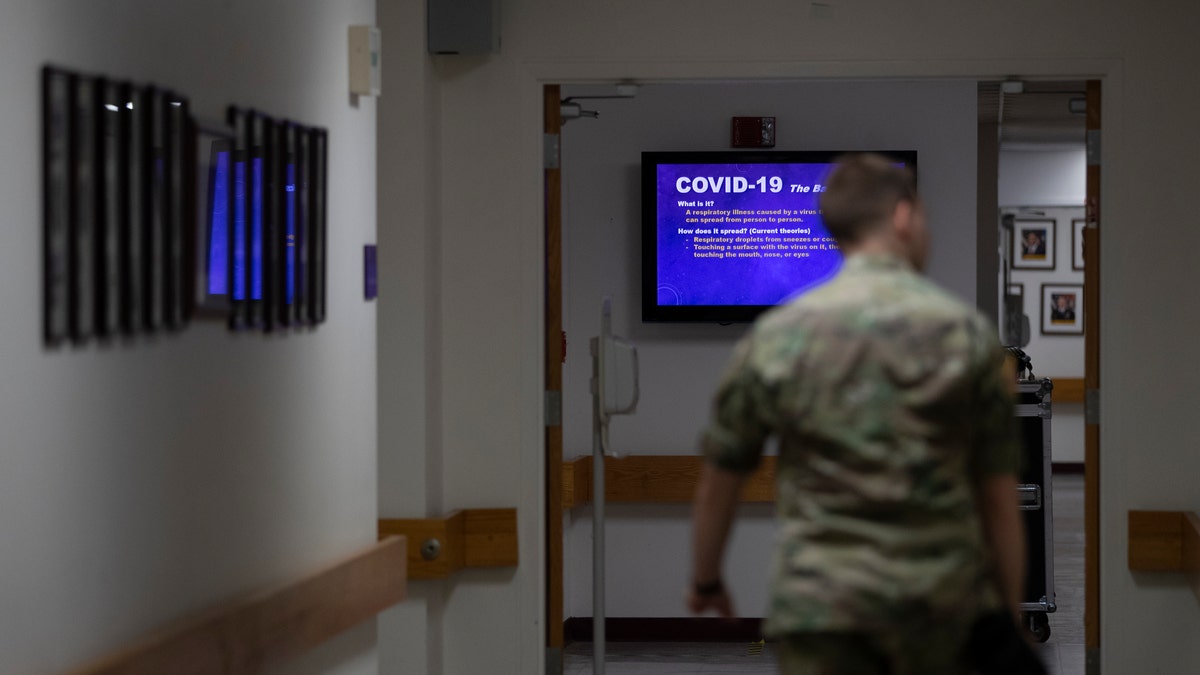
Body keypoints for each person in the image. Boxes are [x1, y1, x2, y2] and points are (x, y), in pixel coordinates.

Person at [688, 154, 1029, 674]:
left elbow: (721, 478)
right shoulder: (967, 334)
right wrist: (1009, 612)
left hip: (822, 613)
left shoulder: (779, 337)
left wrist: (706, 579)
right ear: (902, 216)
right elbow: (998, 496)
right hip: (941, 608)